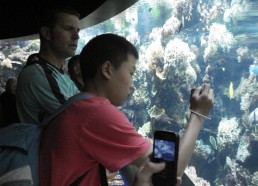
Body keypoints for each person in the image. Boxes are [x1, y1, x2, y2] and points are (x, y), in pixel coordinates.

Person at [40, 33, 214, 185]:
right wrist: (198, 115)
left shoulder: (78, 104)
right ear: (107, 70)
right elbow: (169, 169)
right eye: (131, 73)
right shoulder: (97, 113)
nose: (132, 85)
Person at [16, 5, 81, 124]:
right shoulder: (37, 74)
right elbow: (79, 118)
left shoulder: (59, 73)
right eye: (68, 28)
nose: (76, 36)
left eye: (77, 30)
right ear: (47, 33)